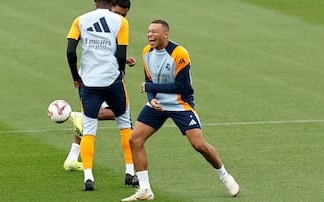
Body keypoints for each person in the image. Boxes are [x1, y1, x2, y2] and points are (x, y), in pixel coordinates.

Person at [121, 19, 240, 201]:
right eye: (148, 31)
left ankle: (225, 176)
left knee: (199, 144)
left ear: (165, 34)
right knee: (135, 140)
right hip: (158, 104)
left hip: (180, 104)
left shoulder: (179, 54)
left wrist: (151, 87)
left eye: (154, 31)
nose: (150, 35)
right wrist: (151, 99)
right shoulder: (146, 52)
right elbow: (149, 82)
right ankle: (145, 189)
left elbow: (181, 87)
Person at [66, 0, 135, 191]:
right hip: (112, 80)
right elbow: (121, 55)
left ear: (95, 1)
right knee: (125, 124)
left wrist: (76, 77)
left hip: (88, 81)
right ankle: (130, 172)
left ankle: (88, 177)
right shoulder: (121, 22)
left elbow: (70, 51)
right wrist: (120, 73)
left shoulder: (80, 20)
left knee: (89, 131)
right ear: (112, 2)